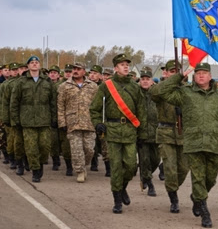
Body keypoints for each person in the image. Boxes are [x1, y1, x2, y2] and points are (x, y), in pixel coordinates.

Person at [157, 62, 218, 228]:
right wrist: (179, 76)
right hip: (193, 143)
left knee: (211, 179)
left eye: (204, 73)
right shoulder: (185, 93)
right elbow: (162, 92)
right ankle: (204, 210)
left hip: (214, 143)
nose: (201, 75)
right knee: (198, 177)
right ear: (194, 76)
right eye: (198, 72)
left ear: (210, 76)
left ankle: (197, 197)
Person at [89, 53, 147, 214]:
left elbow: (141, 111)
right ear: (115, 68)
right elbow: (94, 109)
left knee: (130, 166)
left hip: (130, 131)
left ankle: (122, 188)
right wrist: (97, 123)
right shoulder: (106, 86)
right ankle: (117, 200)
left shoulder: (135, 87)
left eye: (127, 64)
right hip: (112, 130)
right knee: (115, 167)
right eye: (122, 64)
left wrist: (142, 133)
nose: (126, 66)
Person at [150, 59, 189, 213]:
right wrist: (174, 79)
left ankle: (173, 188)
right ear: (166, 73)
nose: (175, 74)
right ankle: (173, 197)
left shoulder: (188, 89)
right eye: (172, 71)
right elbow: (155, 93)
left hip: (184, 134)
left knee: (184, 169)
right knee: (170, 169)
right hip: (166, 133)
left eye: (177, 71)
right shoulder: (160, 89)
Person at [10, 56, 57, 183]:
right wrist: (16, 120)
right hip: (27, 120)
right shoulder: (21, 82)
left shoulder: (47, 81)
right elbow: (14, 102)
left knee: (44, 146)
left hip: (44, 120)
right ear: (28, 66)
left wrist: (54, 118)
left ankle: (40, 164)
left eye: (37, 62)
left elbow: (53, 102)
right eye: (32, 63)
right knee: (31, 148)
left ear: (39, 65)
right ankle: (35, 170)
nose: (35, 64)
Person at [57, 62, 98, 183]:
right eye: (74, 69)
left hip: (89, 122)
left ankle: (83, 165)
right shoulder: (64, 86)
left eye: (78, 69)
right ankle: (80, 171)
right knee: (76, 149)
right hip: (72, 122)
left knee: (89, 149)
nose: (75, 71)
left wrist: (99, 121)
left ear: (84, 71)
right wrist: (62, 122)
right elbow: (60, 106)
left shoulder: (93, 86)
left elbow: (99, 105)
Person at [137, 67, 160, 196]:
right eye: (143, 79)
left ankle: (145, 175)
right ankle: (150, 184)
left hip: (156, 132)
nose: (145, 81)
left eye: (148, 79)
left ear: (152, 81)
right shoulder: (136, 93)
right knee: (144, 159)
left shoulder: (157, 93)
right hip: (141, 133)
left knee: (156, 159)